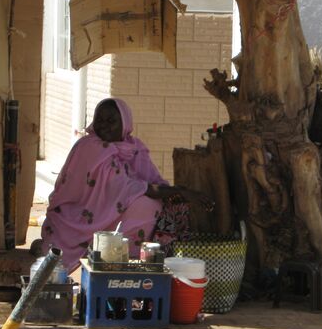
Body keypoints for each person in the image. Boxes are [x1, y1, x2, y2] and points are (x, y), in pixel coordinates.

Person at [41, 98, 213, 272]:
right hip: (78, 217)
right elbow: (125, 187)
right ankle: (114, 257)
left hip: (113, 212)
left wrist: (177, 194)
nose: (104, 126)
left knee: (165, 205)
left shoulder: (134, 148)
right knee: (145, 203)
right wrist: (180, 191)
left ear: (125, 123)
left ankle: (142, 262)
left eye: (111, 121)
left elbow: (152, 180)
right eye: (99, 120)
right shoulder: (91, 146)